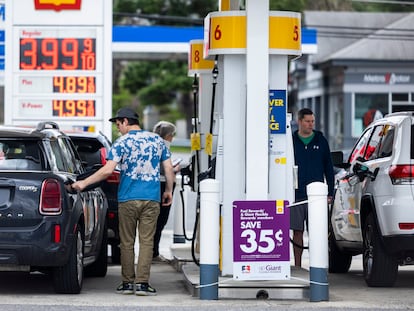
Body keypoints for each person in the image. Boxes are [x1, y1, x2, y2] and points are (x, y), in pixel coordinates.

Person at [71, 107, 174, 296]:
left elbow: (107, 171)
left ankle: (127, 284)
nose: (118, 129)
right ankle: (143, 284)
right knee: (147, 241)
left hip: (127, 199)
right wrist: (168, 190)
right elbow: (168, 168)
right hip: (151, 199)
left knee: (126, 242)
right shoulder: (157, 141)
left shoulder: (122, 142)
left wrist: (83, 183)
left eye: (118, 124)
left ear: (126, 121)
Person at [291, 108, 334, 267]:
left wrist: (330, 192)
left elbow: (328, 168)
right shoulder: (291, 141)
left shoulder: (321, 141)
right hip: (297, 194)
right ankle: (297, 266)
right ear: (299, 121)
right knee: (297, 232)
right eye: (308, 121)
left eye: (312, 121)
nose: (311, 124)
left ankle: (317, 266)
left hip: (317, 197)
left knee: (317, 233)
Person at [152, 121, 180, 263]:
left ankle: (152, 252)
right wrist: (174, 169)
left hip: (152, 185)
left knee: (152, 220)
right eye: (172, 135)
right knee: (160, 220)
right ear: (169, 135)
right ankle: (154, 253)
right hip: (163, 185)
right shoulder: (164, 145)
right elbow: (166, 168)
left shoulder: (151, 143)